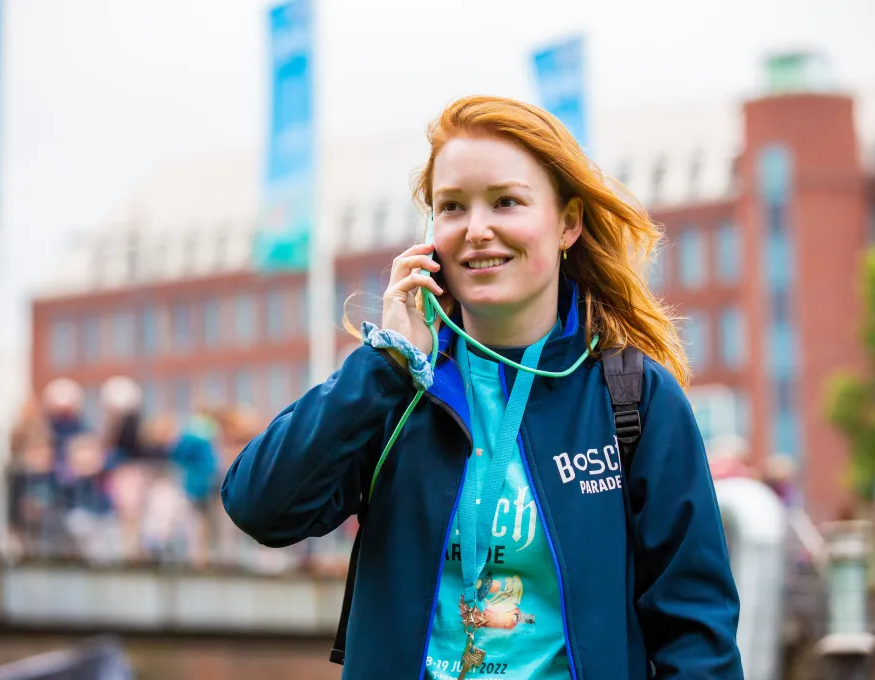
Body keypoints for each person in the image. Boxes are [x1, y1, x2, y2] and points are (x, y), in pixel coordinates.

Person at [223, 96, 742, 679]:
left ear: (568, 223)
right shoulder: (397, 387)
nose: (477, 230)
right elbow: (260, 508)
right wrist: (385, 364)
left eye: (506, 202)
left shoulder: (634, 397)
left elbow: (696, 631)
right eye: (451, 207)